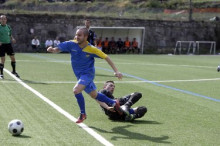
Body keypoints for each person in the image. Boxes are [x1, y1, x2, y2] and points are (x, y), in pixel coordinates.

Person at [47, 27, 124, 123]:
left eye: (79, 35)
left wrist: (116, 71)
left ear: (86, 37)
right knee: (94, 95)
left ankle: (82, 114)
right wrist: (53, 49)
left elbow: (106, 57)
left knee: (76, 90)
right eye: (76, 35)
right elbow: (59, 48)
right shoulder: (71, 44)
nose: (76, 37)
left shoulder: (91, 49)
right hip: (79, 76)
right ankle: (113, 102)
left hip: (88, 74)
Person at [0, 15, 20, 79]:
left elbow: (10, 34)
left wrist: (12, 39)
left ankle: (13, 71)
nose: (3, 20)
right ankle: (1, 74)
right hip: (1, 45)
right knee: (3, 59)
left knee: (13, 58)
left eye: (4, 19)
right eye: (2, 19)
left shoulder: (8, 27)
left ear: (6, 20)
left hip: (8, 44)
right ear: (0, 20)